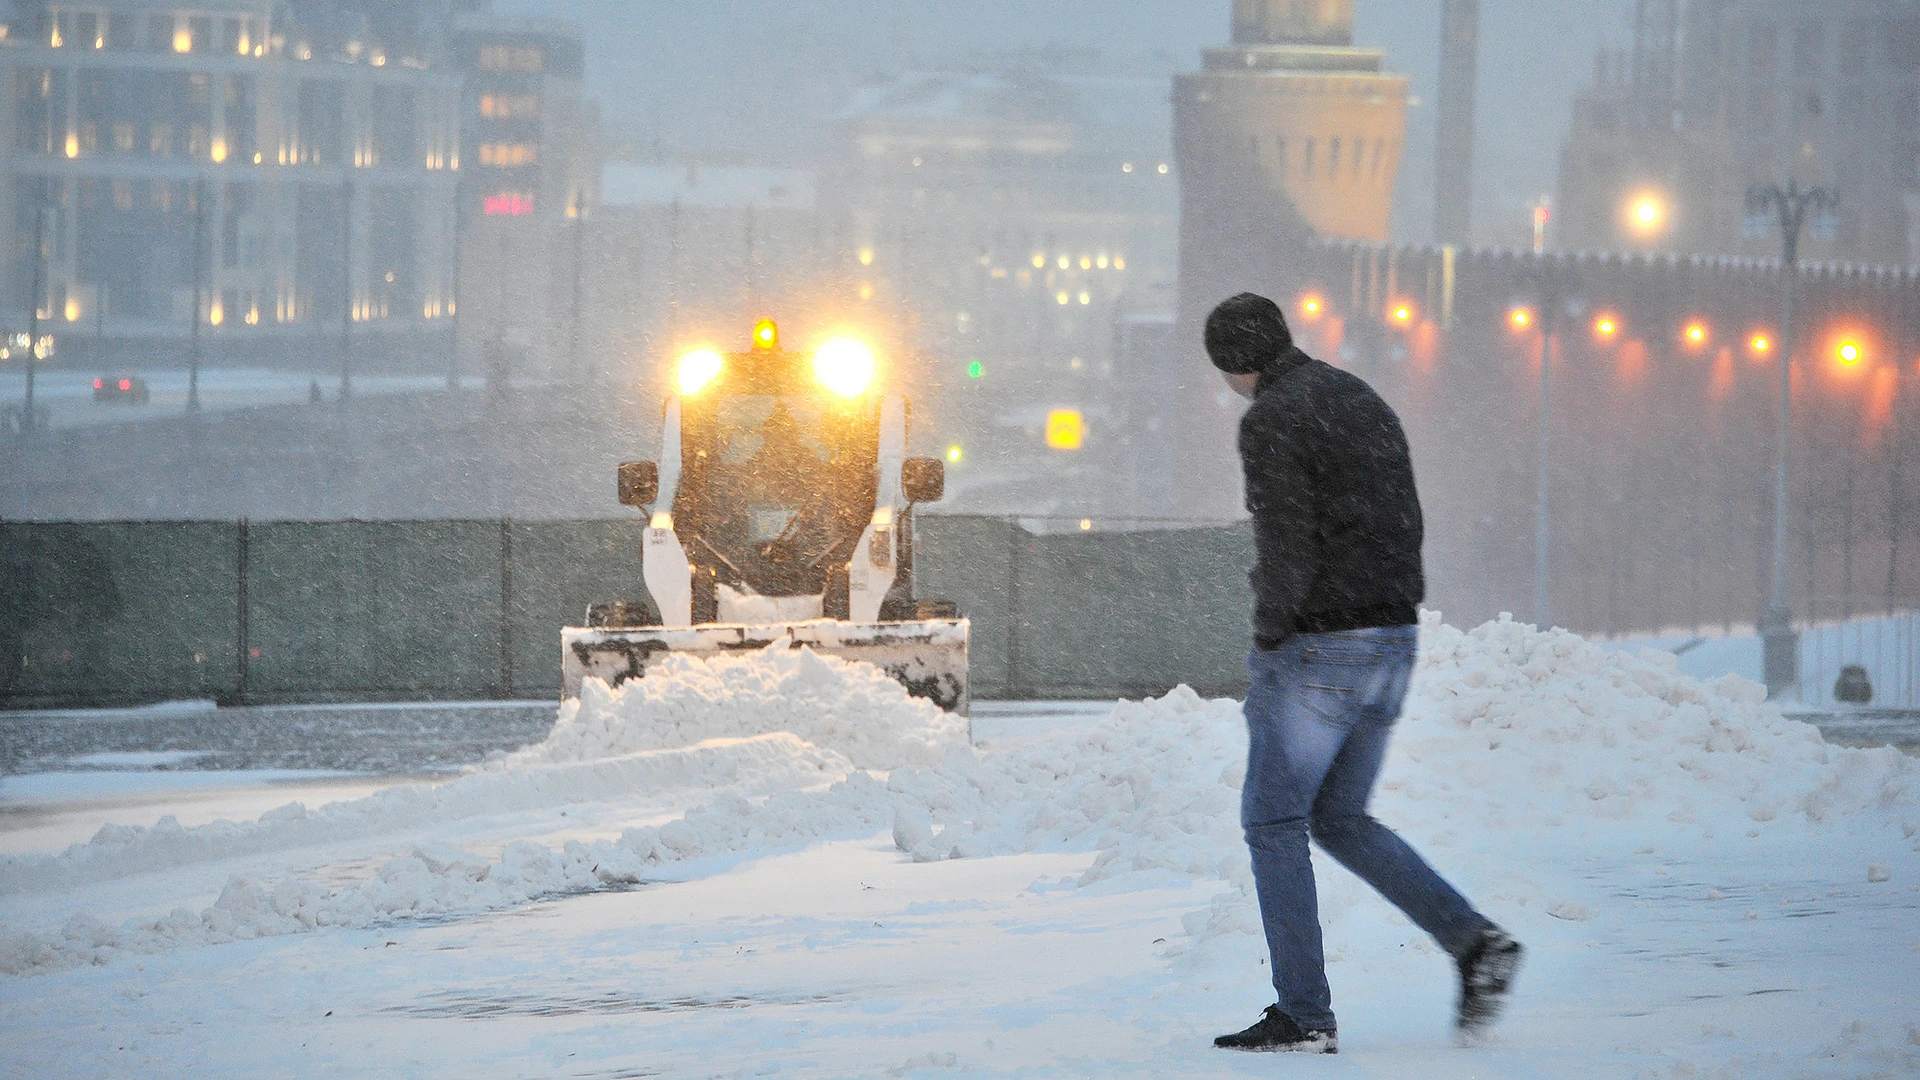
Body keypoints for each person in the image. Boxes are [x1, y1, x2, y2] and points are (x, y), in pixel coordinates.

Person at [1204, 293, 1522, 1054]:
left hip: (1322, 646)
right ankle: (1475, 945)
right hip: (1393, 636)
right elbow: (1401, 515)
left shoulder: (1272, 419)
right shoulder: (1356, 395)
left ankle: (1304, 1014)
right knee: (1340, 818)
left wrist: (1271, 635)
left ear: (1236, 364)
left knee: (1272, 822)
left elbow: (1285, 538)